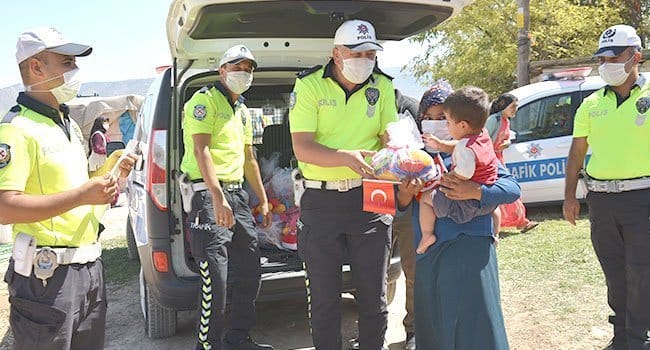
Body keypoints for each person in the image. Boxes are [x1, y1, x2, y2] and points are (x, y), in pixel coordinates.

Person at [0, 26, 136, 349]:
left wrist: (110, 171)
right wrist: (83, 194)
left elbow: (78, 190)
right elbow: (5, 207)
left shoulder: (68, 124)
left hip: (87, 269)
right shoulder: (16, 129)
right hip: (47, 280)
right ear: (36, 67)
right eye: (67, 63)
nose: (75, 72)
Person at [289, 19, 398, 350]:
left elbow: (389, 134)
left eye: (370, 53)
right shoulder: (309, 86)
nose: (364, 60)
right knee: (324, 298)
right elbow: (302, 146)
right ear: (336, 54)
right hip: (321, 201)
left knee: (373, 295)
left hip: (373, 194)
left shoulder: (382, 86)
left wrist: (399, 147)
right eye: (356, 52)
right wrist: (345, 157)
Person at [180, 44, 273, 350]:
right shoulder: (204, 102)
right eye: (236, 67)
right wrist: (217, 196)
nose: (243, 73)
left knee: (250, 273)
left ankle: (238, 340)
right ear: (222, 70)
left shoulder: (243, 111)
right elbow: (200, 149)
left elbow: (249, 158)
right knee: (215, 283)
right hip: (208, 197)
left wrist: (263, 199)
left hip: (237, 196)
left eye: (248, 69)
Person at [563, 24, 650, 350]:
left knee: (641, 272)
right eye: (602, 57)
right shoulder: (590, 104)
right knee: (614, 271)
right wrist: (570, 196)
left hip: (643, 199)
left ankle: (637, 337)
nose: (606, 63)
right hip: (601, 201)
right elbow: (576, 153)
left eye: (614, 56)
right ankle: (622, 335)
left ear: (635, 56)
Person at [413, 150, 520, 349]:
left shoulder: (473, 150)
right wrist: (405, 192)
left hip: (474, 251)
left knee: (478, 322)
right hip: (430, 256)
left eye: (442, 118)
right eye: (427, 117)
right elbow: (393, 201)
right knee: (437, 323)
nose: (434, 123)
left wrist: (475, 191)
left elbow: (511, 189)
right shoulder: (411, 156)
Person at [417, 87, 500, 254]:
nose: (445, 126)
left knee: (426, 199)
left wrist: (448, 177)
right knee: (496, 209)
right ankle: (496, 233)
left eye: (446, 121)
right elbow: (458, 146)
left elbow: (465, 172)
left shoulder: (464, 147)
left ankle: (427, 235)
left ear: (462, 125)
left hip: (464, 202)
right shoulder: (482, 136)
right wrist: (440, 144)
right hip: (488, 202)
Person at [485, 93, 539, 234]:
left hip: (499, 158)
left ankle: (520, 221)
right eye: (513, 106)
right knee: (505, 189)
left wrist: (506, 143)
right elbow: (483, 140)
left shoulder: (506, 120)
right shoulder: (494, 120)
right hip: (491, 159)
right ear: (503, 106)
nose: (515, 109)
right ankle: (520, 222)